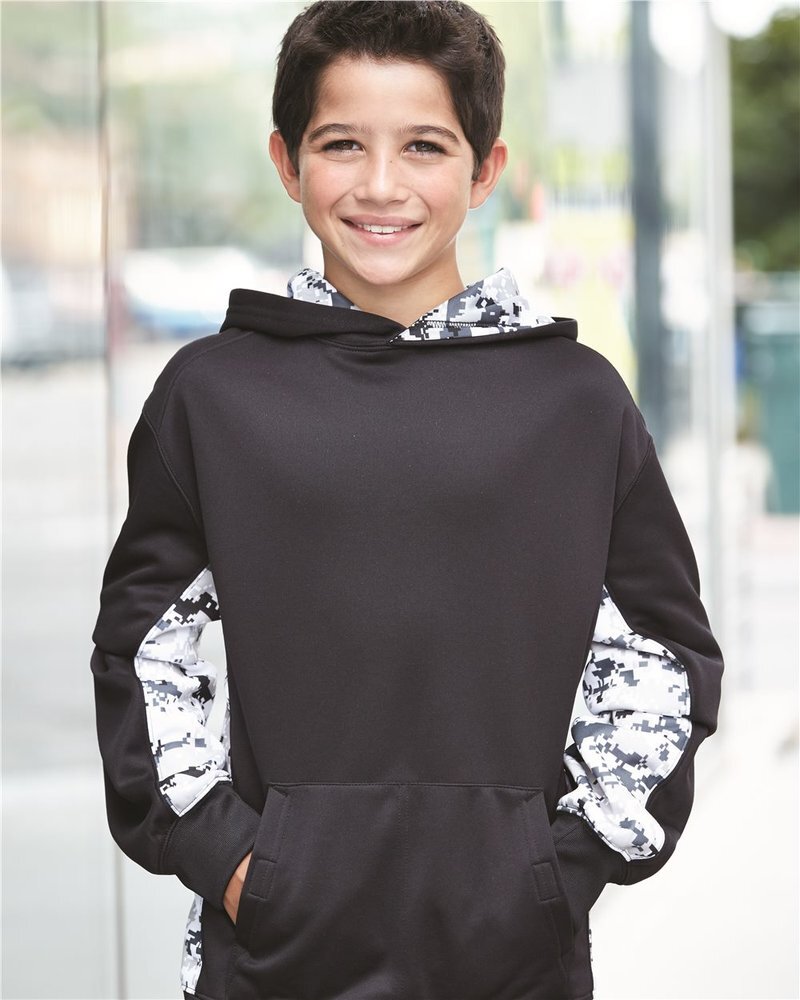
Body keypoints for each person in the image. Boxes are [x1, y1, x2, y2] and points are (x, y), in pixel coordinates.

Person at [90, 3, 725, 999]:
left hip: (517, 961)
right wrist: (236, 860)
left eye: (424, 146)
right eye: (341, 143)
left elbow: (661, 652)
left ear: (484, 169)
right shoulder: (210, 397)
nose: (380, 185)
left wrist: (559, 870)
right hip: (271, 957)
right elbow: (141, 649)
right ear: (287, 161)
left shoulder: (575, 401)